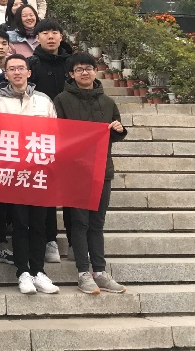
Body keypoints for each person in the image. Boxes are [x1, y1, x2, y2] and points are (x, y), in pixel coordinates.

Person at [54, 52, 127, 295]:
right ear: (71, 74)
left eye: (88, 68)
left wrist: (118, 129)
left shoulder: (108, 102)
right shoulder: (62, 100)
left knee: (97, 222)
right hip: (74, 171)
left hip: (102, 170)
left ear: (96, 71)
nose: (84, 72)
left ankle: (100, 271)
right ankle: (83, 272)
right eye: (79, 69)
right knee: (79, 222)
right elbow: (58, 133)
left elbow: (114, 134)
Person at [0, 54, 59, 294]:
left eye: (21, 68)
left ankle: (39, 271)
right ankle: (23, 272)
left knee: (39, 223)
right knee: (20, 224)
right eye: (12, 69)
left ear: (29, 72)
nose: (17, 72)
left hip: (40, 171)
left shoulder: (44, 100)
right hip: (14, 172)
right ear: (6, 74)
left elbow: (55, 133)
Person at [27, 18, 75, 265]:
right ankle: (50, 240)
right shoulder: (31, 64)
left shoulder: (72, 63)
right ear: (37, 38)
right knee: (45, 189)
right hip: (42, 136)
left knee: (71, 189)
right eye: (45, 33)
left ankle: (76, 241)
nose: (50, 36)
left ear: (61, 36)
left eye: (55, 32)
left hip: (71, 135)